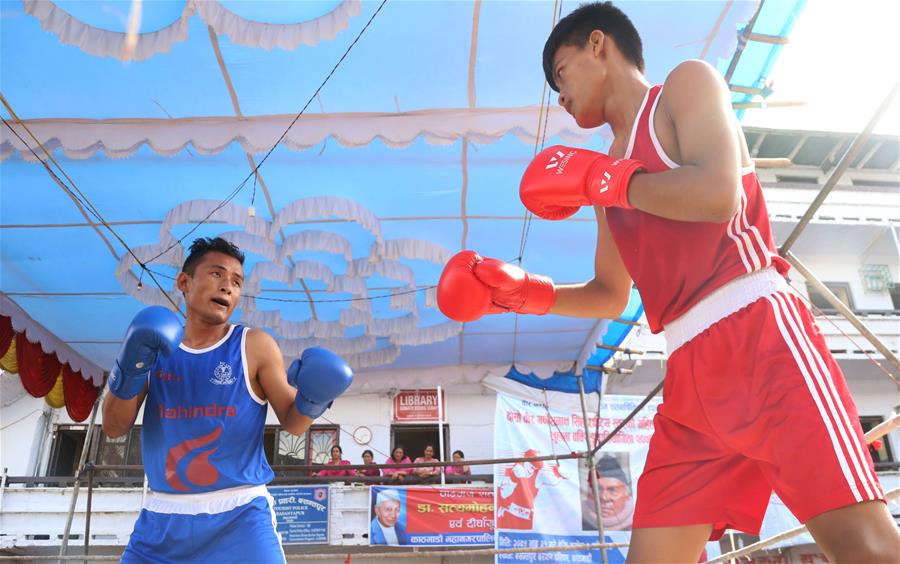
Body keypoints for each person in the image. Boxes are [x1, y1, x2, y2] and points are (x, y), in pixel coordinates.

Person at [436, 3, 898, 562]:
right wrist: (522, 295)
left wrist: (605, 181)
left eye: (561, 73)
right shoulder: (601, 172)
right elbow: (611, 292)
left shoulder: (685, 86)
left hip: (760, 336)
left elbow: (715, 195)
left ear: (598, 44)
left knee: (866, 549)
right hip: (687, 377)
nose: (560, 96)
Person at [103, 237, 353, 563]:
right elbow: (113, 427)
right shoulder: (155, 343)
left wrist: (314, 399)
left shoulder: (253, 346)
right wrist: (130, 367)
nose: (227, 287)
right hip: (162, 519)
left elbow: (293, 424)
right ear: (184, 282)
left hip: (240, 516)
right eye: (217, 275)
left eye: (236, 282)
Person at [582, 455, 634, 531]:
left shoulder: (637, 525)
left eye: (612, 490)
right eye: (598, 489)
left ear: (626, 495)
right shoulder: (577, 519)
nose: (604, 497)